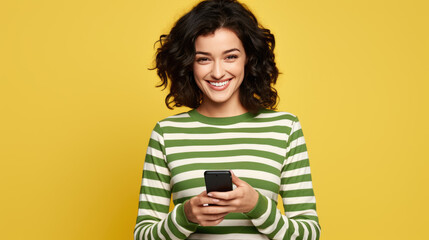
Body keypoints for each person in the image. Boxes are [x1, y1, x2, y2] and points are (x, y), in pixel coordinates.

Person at [134, 0, 321, 239]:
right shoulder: (166, 133)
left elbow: (309, 234)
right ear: (188, 64)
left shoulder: (285, 128)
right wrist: (185, 216)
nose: (218, 72)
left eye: (230, 57)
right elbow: (143, 235)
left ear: (248, 59)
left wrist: (257, 206)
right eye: (203, 59)